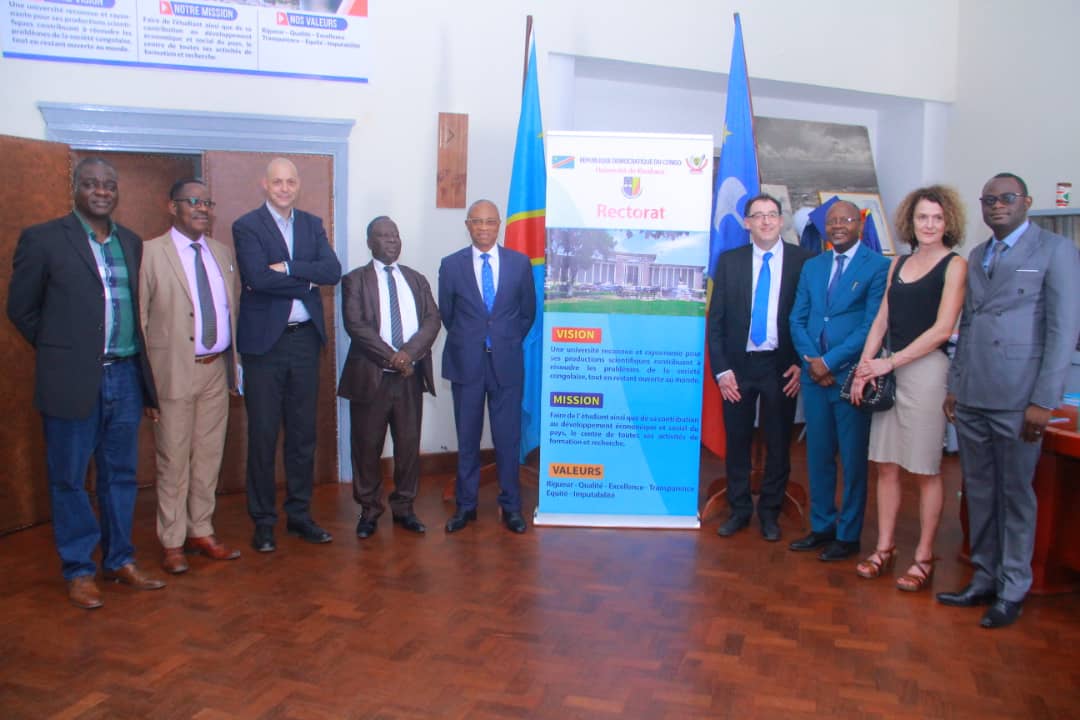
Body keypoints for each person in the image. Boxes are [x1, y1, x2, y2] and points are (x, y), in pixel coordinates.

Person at [7, 157, 165, 609]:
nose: (102, 191)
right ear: (75, 188)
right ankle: (79, 570)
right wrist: (62, 351)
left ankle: (119, 560)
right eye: (92, 184)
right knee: (70, 478)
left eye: (109, 185)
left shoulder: (130, 242)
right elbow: (21, 309)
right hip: (72, 379)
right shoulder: (43, 239)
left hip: (125, 375)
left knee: (120, 475)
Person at [937, 172, 1080, 628]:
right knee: (978, 490)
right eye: (989, 199)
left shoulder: (1055, 250)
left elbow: (1063, 331)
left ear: (1026, 202)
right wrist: (956, 385)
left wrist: (1044, 400)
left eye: (1007, 198)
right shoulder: (979, 254)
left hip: (1020, 398)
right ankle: (983, 576)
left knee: (1016, 494)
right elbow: (969, 326)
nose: (997, 205)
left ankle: (1012, 587)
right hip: (974, 394)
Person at [848, 185, 968, 591]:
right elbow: (881, 319)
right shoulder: (897, 262)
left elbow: (943, 330)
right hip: (888, 367)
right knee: (885, 465)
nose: (929, 225)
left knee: (925, 469)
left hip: (926, 372)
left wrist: (889, 362)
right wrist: (865, 368)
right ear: (910, 222)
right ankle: (884, 548)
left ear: (948, 221)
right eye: (922, 217)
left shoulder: (955, 265)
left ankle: (923, 557)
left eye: (937, 217)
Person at [233, 157, 342, 553]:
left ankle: (299, 515)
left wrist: (290, 267)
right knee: (263, 435)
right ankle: (263, 521)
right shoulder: (247, 226)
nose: (284, 188)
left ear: (298, 185)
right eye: (277, 182)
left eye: (290, 182)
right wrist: (306, 281)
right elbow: (257, 278)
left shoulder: (312, 224)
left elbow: (332, 271)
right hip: (264, 347)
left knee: (302, 435)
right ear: (265, 184)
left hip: (304, 343)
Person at [140, 179, 242, 574]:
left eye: (207, 203)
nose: (202, 209)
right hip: (172, 373)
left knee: (208, 456)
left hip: (215, 370)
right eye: (193, 201)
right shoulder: (151, 253)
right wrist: (146, 385)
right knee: (173, 459)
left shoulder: (221, 252)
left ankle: (201, 529)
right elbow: (141, 322)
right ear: (173, 207)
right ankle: (172, 540)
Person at [789, 200, 890, 561]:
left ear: (859, 224)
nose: (838, 226)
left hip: (851, 378)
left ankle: (848, 536)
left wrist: (830, 362)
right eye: (831, 221)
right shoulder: (813, 265)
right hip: (814, 378)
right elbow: (797, 319)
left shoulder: (878, 266)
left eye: (845, 219)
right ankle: (822, 527)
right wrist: (813, 362)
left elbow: (871, 326)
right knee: (818, 456)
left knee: (852, 459)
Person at [707, 193, 811, 541]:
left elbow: (810, 318)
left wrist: (802, 363)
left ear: (781, 220)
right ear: (747, 223)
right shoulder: (730, 261)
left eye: (771, 214)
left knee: (778, 442)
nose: (765, 221)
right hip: (738, 367)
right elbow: (716, 321)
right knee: (737, 440)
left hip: (781, 366)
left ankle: (769, 511)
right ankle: (739, 509)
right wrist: (722, 370)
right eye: (757, 215)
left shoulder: (803, 261)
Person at [339, 216, 441, 538]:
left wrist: (407, 355)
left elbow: (432, 320)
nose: (392, 241)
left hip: (409, 378)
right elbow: (356, 326)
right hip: (371, 378)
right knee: (367, 446)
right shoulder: (355, 280)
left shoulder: (416, 279)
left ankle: (404, 508)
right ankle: (369, 510)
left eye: (395, 235)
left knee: (408, 446)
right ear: (369, 242)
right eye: (383, 236)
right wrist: (392, 358)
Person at [439, 199, 536, 534]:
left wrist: (503, 340)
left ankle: (511, 507)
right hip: (466, 363)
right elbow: (448, 314)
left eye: (490, 221)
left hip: (506, 364)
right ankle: (466, 507)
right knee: (467, 439)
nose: (483, 227)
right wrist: (474, 339)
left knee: (508, 439)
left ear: (499, 225)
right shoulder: (451, 265)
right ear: (468, 225)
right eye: (477, 221)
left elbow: (527, 313)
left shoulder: (519, 264)